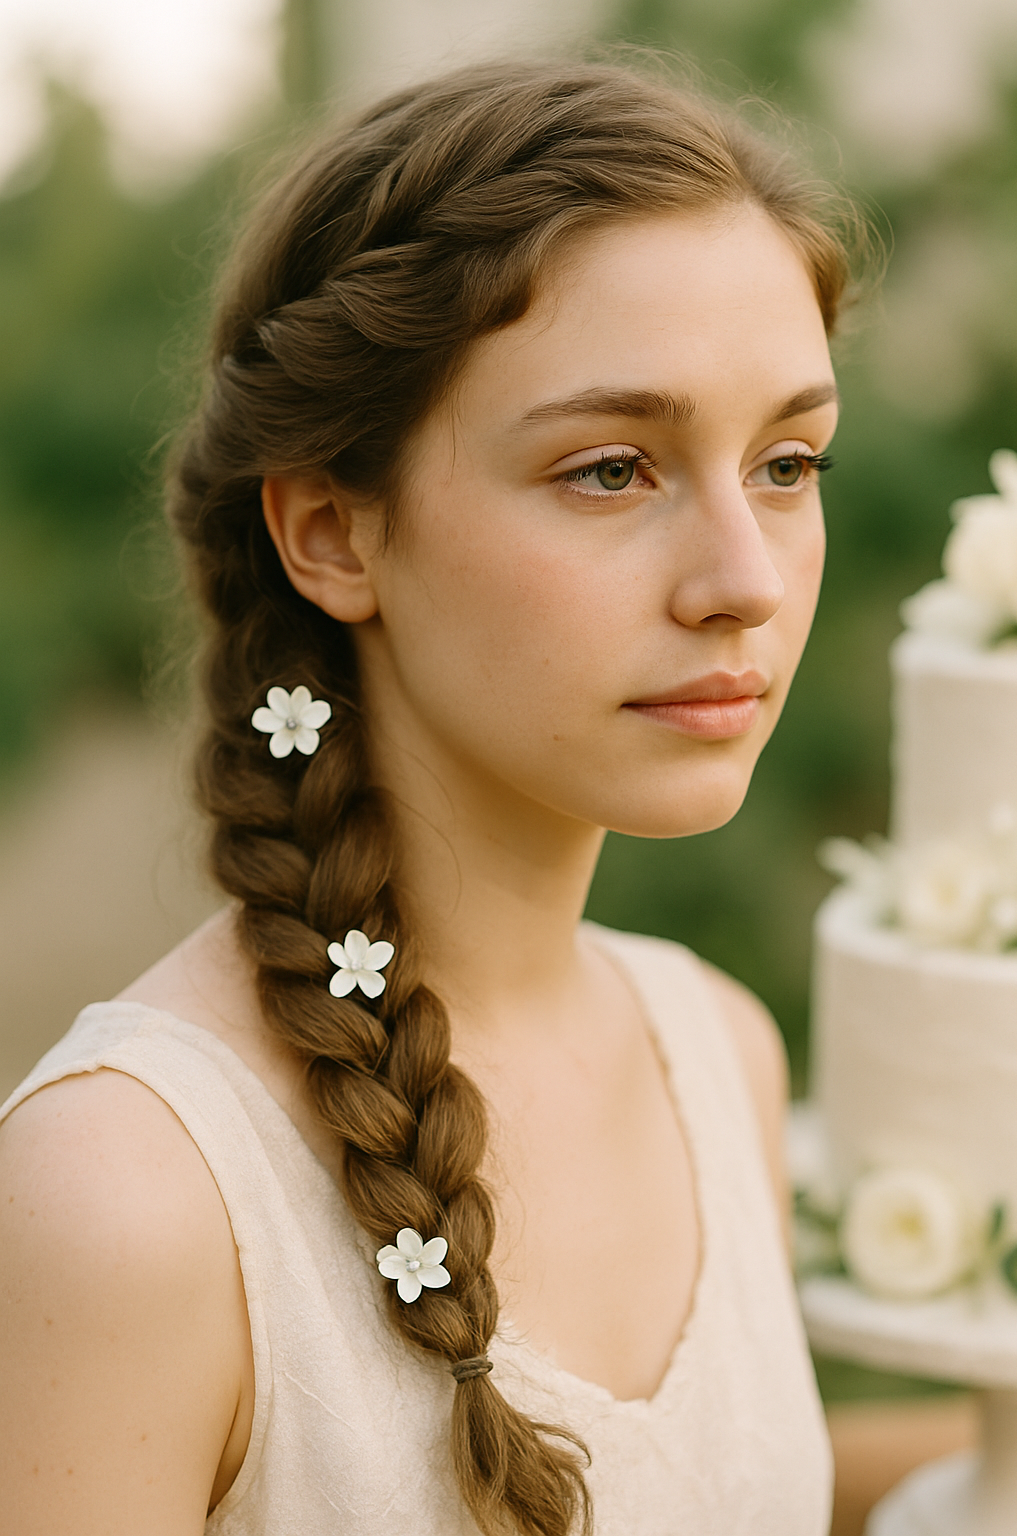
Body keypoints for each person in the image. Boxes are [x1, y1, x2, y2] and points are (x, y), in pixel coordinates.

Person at [0, 59, 849, 1535]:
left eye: (786, 462)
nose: (747, 582)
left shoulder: (720, 1056)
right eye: (610, 470)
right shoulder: (125, 1197)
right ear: (333, 530)